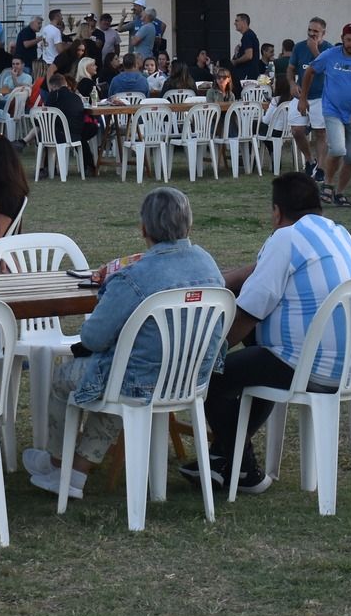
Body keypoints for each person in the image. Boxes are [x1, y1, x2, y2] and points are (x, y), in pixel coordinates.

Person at [22, 187, 225, 500]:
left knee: (71, 377)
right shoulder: (208, 265)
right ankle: (76, 473)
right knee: (116, 374)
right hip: (191, 379)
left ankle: (58, 463)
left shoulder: (135, 277)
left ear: (144, 229)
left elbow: (93, 338)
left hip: (138, 382)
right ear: (189, 224)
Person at [186, 172, 351, 494]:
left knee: (209, 378)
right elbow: (259, 271)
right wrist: (224, 280)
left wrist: (207, 354)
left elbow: (249, 311)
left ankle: (243, 467)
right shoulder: (338, 232)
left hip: (308, 366)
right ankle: (223, 456)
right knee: (255, 359)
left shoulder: (286, 238)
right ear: (318, 206)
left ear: (277, 212)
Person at [298, 23, 351, 208]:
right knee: (337, 149)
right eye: (348, 40)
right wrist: (303, 98)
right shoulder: (330, 55)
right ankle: (328, 185)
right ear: (342, 39)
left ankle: (339, 193)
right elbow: (310, 71)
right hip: (332, 110)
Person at [288, 19, 333, 180]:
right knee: (297, 130)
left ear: (323, 33)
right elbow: (291, 68)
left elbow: (329, 70)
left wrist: (315, 51)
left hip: (321, 96)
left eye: (316, 31)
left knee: (321, 132)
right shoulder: (299, 47)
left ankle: (320, 168)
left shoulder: (329, 49)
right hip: (302, 95)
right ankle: (310, 160)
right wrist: (292, 83)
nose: (312, 34)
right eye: (310, 30)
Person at [44, 72, 103, 177]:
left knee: (46, 132)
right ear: (65, 84)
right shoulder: (76, 97)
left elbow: (46, 115)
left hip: (60, 134)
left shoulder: (53, 96)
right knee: (81, 138)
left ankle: (47, 167)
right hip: (77, 132)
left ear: (53, 86)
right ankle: (89, 166)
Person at [228, 13, 262, 84]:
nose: (234, 23)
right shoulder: (249, 35)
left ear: (244, 22)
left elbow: (249, 56)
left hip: (247, 76)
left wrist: (235, 61)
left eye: (237, 21)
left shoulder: (247, 36)